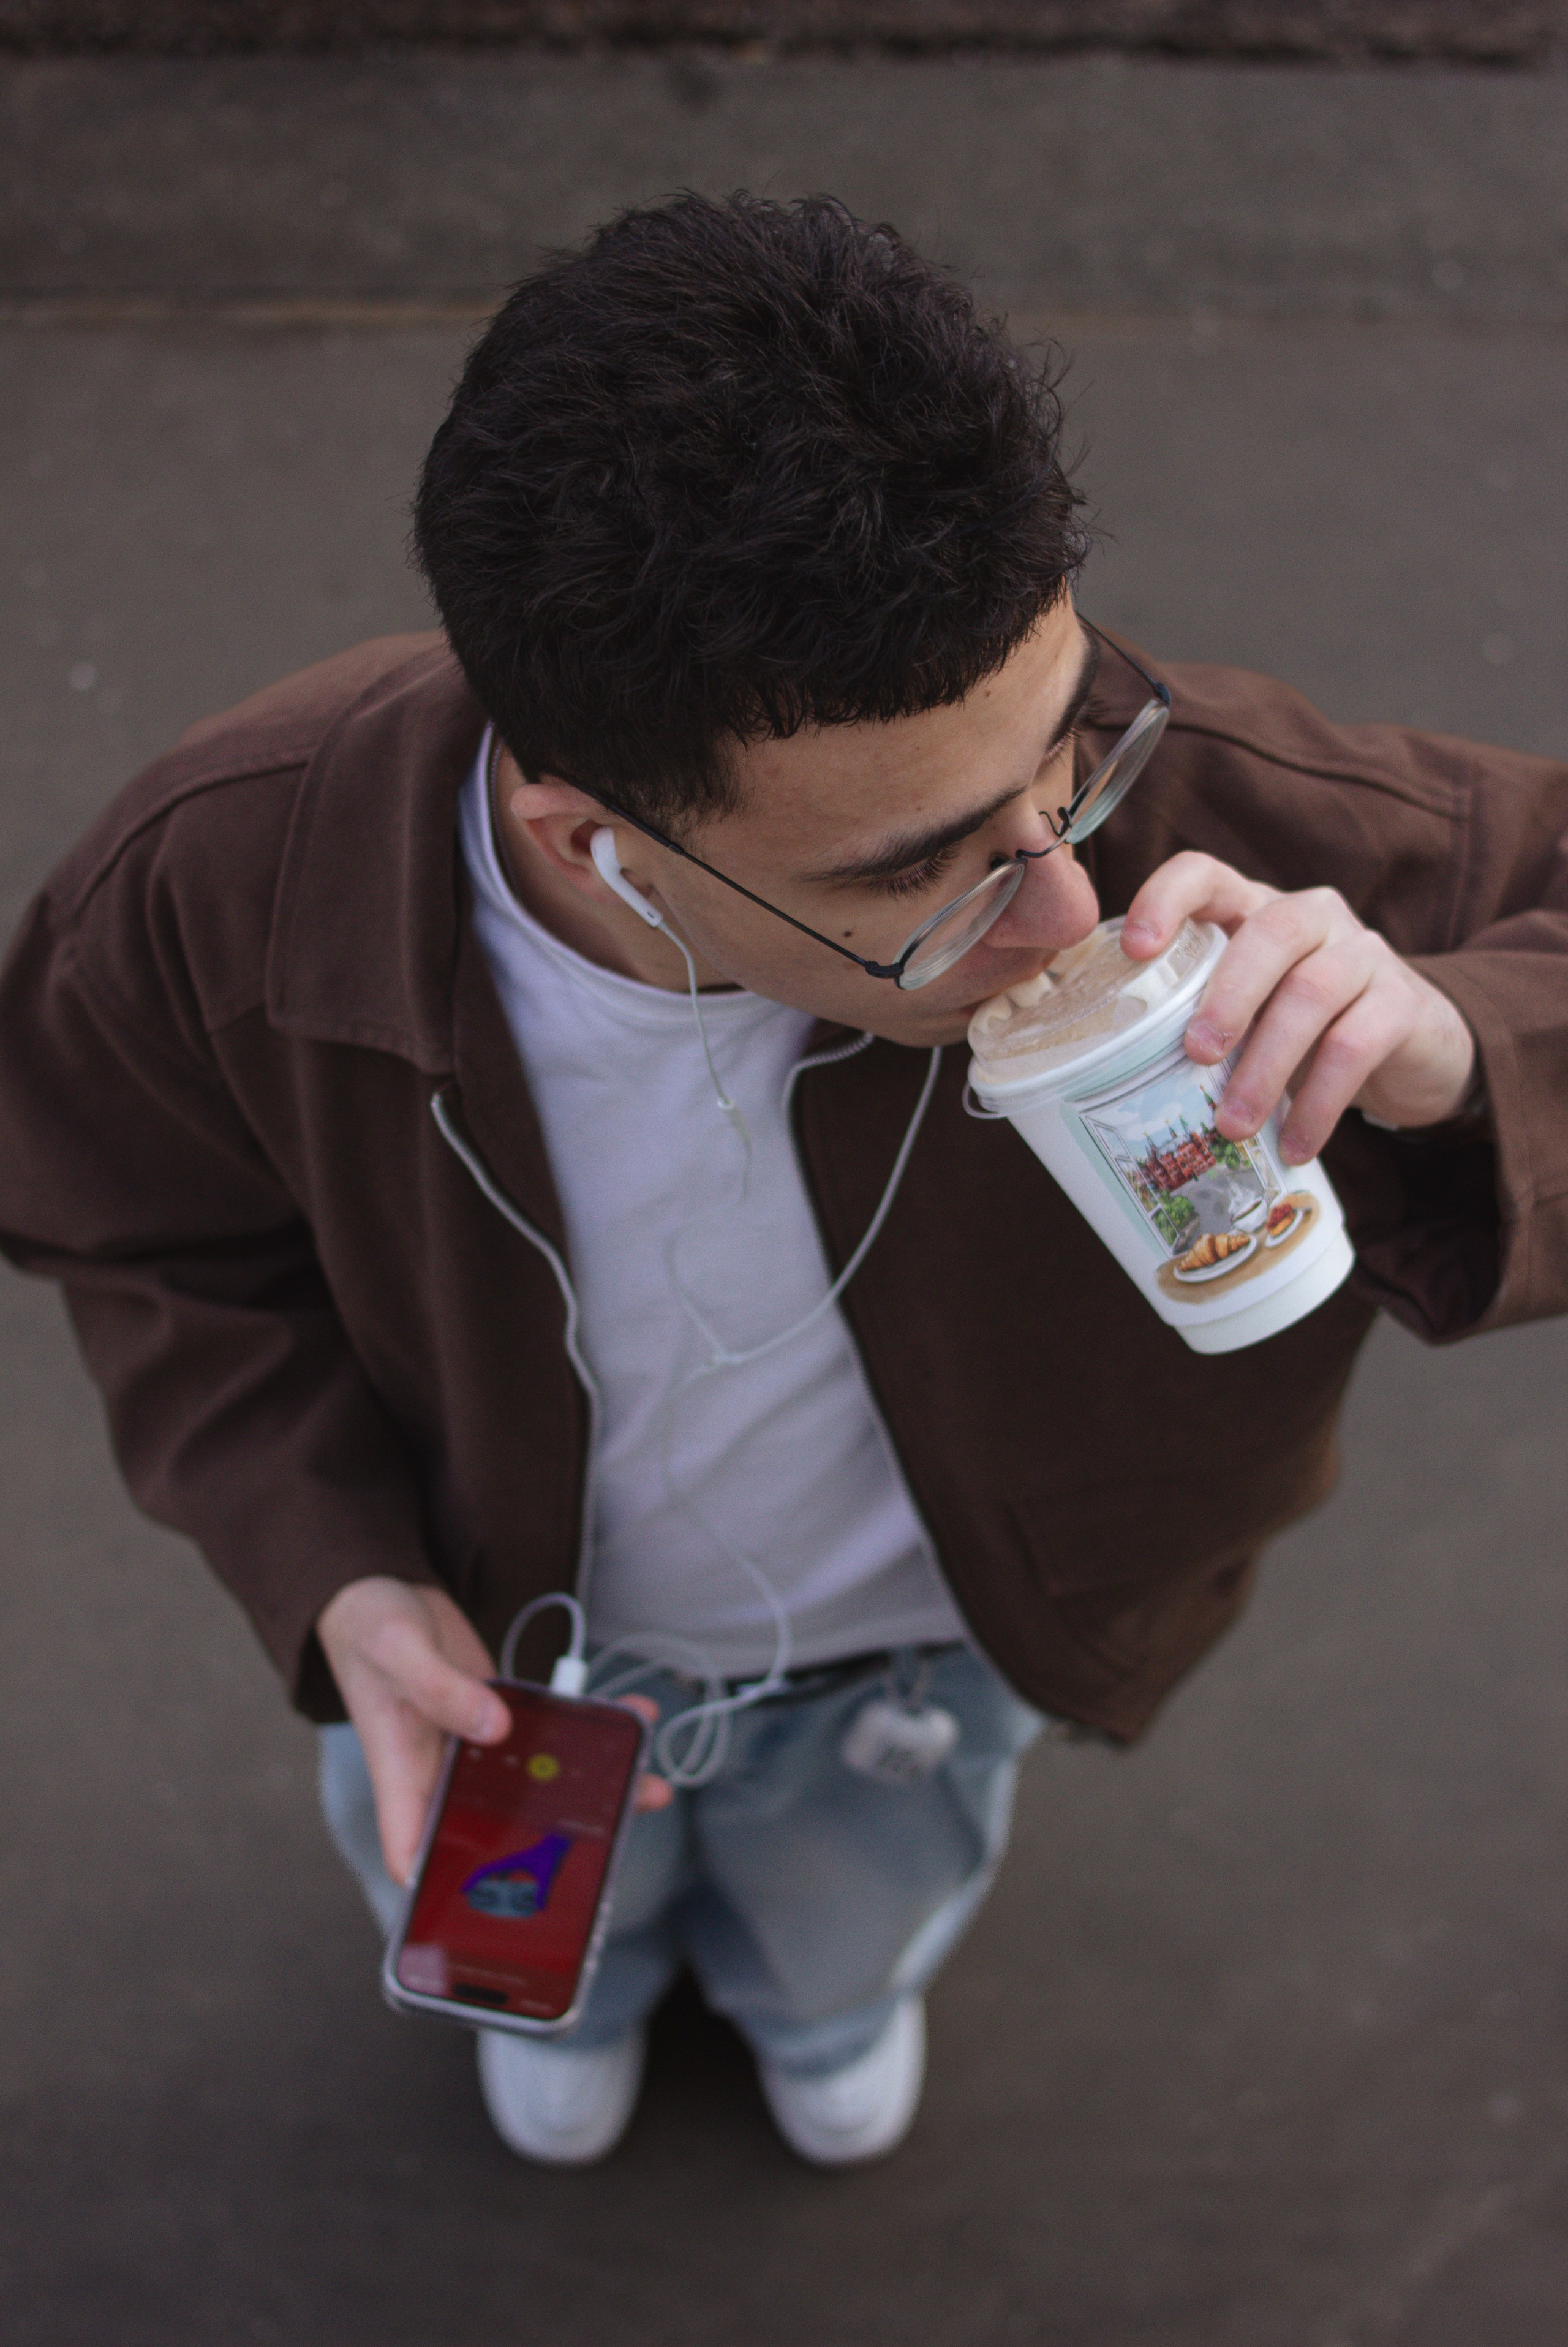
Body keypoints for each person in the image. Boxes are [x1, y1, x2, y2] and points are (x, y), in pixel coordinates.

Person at [1, 193, 1564, 2172]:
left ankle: (827, 2003)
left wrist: (1447, 1035)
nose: (1069, 894)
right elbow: (133, 1225)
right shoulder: (228, 877)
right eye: (917, 871)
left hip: (930, 1648)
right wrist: (331, 1566)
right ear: (595, 844)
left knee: (861, 1898)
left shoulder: (1218, 821)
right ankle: (584, 2001)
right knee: (540, 1935)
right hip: (508, 1650)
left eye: (1068, 744)